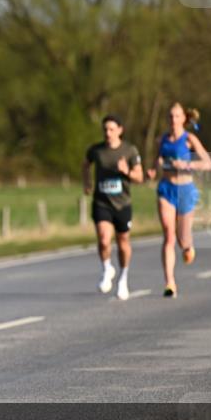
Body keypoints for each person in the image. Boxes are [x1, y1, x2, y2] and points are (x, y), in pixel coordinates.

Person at [148, 103, 211, 297]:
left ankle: (187, 247)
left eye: (177, 116)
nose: (173, 120)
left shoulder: (189, 139)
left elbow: (208, 163)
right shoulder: (162, 140)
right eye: (170, 116)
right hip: (166, 189)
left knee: (183, 239)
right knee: (168, 235)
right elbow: (155, 162)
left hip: (185, 189)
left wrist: (186, 164)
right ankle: (170, 282)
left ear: (184, 119)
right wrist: (153, 169)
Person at [82, 115, 144, 300]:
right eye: (105, 130)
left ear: (120, 130)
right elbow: (85, 165)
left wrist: (126, 171)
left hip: (123, 203)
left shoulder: (129, 150)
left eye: (111, 129)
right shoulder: (96, 150)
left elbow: (139, 177)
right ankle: (107, 268)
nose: (107, 133)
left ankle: (123, 278)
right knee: (103, 239)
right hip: (102, 202)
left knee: (123, 242)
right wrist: (87, 182)